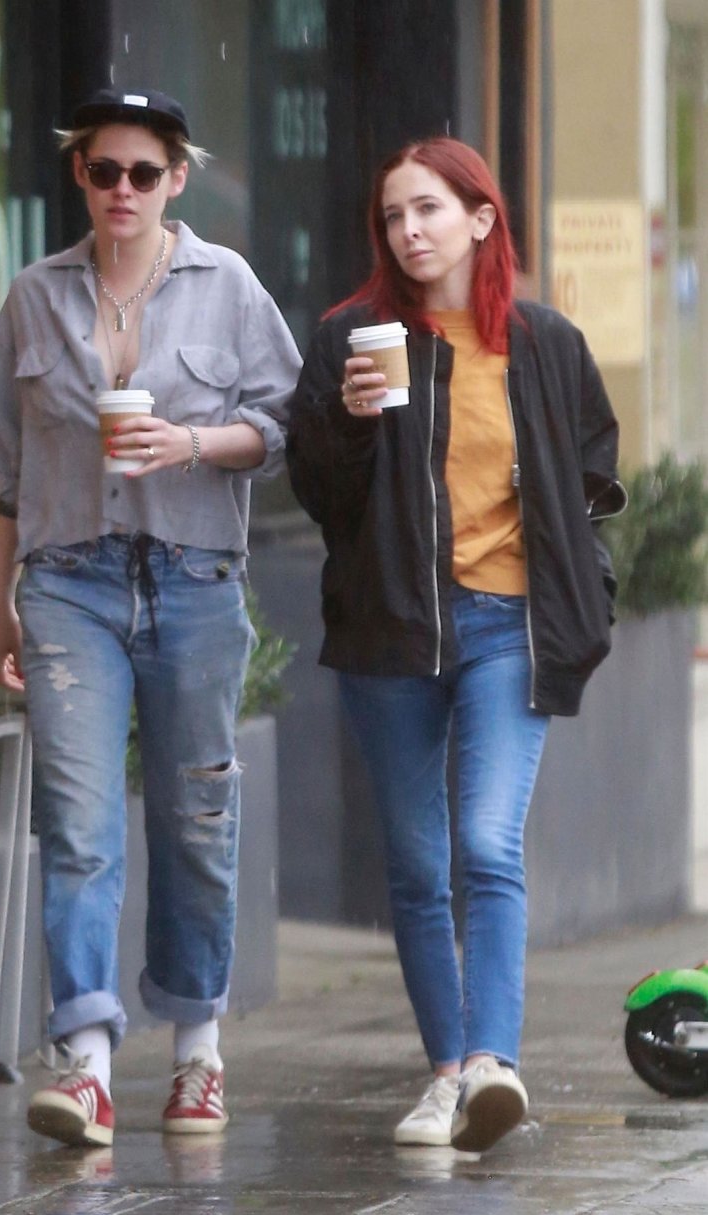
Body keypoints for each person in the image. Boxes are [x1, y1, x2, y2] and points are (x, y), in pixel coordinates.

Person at [286, 137, 625, 1154]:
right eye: (392, 215)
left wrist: (589, 580)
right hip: (388, 627)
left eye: (427, 208)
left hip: (506, 624)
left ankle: (491, 1064)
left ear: (481, 219)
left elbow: (591, 470)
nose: (408, 230)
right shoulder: (351, 338)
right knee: (415, 864)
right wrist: (350, 422)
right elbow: (318, 494)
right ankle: (445, 1075)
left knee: (486, 843)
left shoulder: (543, 342)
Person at [0, 88, 301, 1148]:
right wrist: (2, 601)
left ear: (177, 178)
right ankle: (85, 1064)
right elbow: (7, 473)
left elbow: (282, 426)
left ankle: (197, 1052)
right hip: (66, 582)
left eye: (143, 172)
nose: (123, 189)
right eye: (103, 170)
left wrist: (191, 444)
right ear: (80, 175)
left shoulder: (228, 285)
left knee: (197, 818)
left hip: (195, 578)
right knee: (78, 824)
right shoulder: (35, 295)